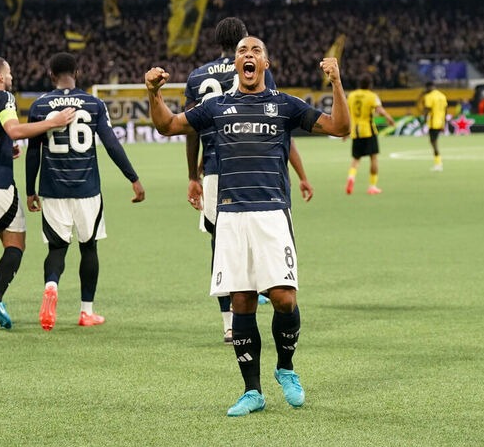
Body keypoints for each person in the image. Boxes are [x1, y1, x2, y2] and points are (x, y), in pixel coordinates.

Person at [145, 36, 349, 416]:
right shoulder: (216, 107)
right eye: (243, 51)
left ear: (265, 64)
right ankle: (252, 391)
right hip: (231, 215)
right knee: (242, 301)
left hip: (272, 213)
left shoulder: (284, 105)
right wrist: (154, 93)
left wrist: (336, 83)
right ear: (236, 64)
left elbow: (339, 126)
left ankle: (285, 367)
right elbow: (168, 125)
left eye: (256, 51)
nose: (248, 55)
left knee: (284, 298)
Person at [184, 17, 313, 344]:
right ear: (242, 43)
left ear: (217, 41)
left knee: (221, 247)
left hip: (214, 170)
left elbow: (191, 129)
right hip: (253, 170)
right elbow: (277, 126)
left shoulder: (197, 77)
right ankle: (263, 286)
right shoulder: (257, 69)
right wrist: (301, 175)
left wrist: (193, 175)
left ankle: (229, 323)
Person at [26, 52, 145, 331]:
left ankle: (51, 285)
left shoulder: (39, 105)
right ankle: (86, 312)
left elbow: (33, 151)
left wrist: (31, 190)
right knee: (88, 247)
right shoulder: (93, 103)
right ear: (77, 73)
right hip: (87, 189)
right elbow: (111, 143)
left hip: (52, 189)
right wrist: (133, 178)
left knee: (57, 248)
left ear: (51, 75)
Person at [0, 56, 75, 330]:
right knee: (15, 244)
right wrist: (53, 122)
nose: (11, 77)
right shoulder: (3, 97)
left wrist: (3, 148)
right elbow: (14, 129)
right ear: (0, 77)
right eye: (8, 72)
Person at [345, 73, 395, 195]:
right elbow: (379, 110)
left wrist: (346, 131)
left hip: (356, 131)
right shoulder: (372, 96)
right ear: (370, 84)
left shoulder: (351, 96)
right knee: (373, 158)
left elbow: (347, 113)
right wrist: (389, 118)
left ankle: (351, 178)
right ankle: (372, 186)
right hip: (368, 131)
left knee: (356, 159)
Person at [421, 81, 448, 172]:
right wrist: (444, 122)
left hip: (433, 122)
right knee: (434, 142)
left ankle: (438, 164)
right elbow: (445, 109)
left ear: (429, 87)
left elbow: (427, 109)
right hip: (440, 122)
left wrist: (424, 121)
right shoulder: (442, 96)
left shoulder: (429, 96)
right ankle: (438, 163)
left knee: (433, 142)